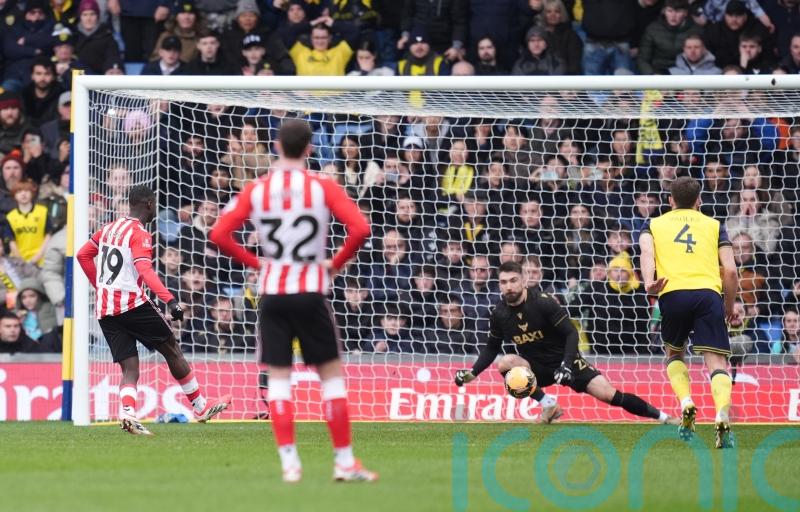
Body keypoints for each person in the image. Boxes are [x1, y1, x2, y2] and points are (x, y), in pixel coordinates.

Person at [209, 119, 376, 483]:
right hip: (310, 291)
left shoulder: (257, 189)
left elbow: (218, 233)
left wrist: (257, 263)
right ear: (310, 148)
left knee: (279, 381)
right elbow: (361, 229)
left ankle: (290, 465)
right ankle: (344, 462)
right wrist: (335, 263)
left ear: (276, 146)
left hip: (272, 294)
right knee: (331, 379)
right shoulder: (323, 185)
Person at [76, 185, 231, 436]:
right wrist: (170, 301)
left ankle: (128, 413)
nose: (155, 208)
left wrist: (100, 286)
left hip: (106, 308)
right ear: (149, 204)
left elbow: (83, 255)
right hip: (132, 304)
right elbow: (145, 270)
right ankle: (200, 406)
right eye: (155, 204)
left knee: (129, 367)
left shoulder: (108, 228)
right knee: (172, 349)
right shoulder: (140, 234)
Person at [454, 261, 677, 425]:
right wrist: (472, 373)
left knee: (610, 395)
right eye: (504, 282)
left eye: (513, 280)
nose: (509, 286)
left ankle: (664, 418)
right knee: (506, 363)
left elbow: (571, 333)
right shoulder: (499, 314)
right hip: (537, 368)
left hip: (567, 362)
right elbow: (492, 348)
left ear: (523, 280)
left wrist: (567, 365)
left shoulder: (543, 303)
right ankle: (548, 404)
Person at [638, 176, 738, 448]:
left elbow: (646, 252)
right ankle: (721, 414)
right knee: (717, 363)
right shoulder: (714, 225)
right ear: (699, 200)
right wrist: (729, 307)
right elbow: (730, 271)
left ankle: (686, 402)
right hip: (708, 295)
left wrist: (649, 282)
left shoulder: (653, 224)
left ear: (670, 200)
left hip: (672, 293)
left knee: (674, 354)